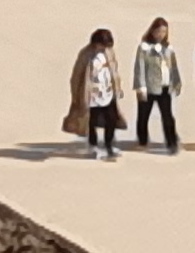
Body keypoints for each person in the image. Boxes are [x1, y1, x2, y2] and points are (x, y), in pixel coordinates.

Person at [65, 27, 122, 160]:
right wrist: (76, 95)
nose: (104, 48)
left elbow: (114, 71)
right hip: (91, 94)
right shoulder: (85, 54)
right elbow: (76, 76)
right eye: (102, 45)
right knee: (91, 121)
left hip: (107, 92)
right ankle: (93, 146)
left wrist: (117, 88)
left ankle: (109, 145)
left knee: (112, 119)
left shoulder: (109, 52)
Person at [133, 17, 184, 154]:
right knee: (143, 115)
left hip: (164, 86)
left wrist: (177, 82)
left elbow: (173, 67)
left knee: (167, 116)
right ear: (152, 31)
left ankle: (171, 142)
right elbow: (139, 68)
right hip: (149, 87)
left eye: (164, 32)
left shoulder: (168, 48)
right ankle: (142, 140)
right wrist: (140, 87)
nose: (161, 34)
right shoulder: (144, 48)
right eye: (159, 31)